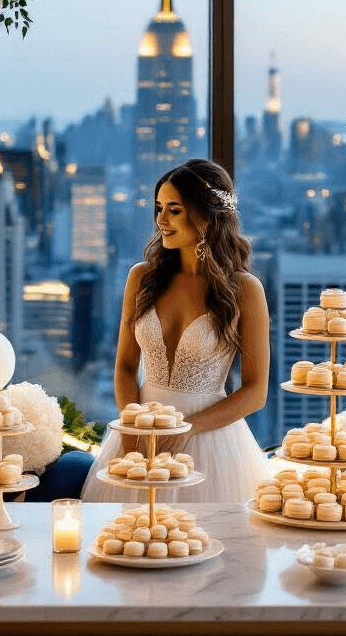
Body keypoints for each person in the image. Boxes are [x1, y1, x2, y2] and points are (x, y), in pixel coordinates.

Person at [82, 158, 270, 503]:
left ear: (206, 215)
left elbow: (256, 392)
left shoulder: (245, 289)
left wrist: (186, 430)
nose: (161, 220)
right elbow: (124, 367)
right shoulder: (142, 278)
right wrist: (131, 434)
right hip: (139, 434)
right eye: (158, 208)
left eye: (175, 210)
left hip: (210, 442)